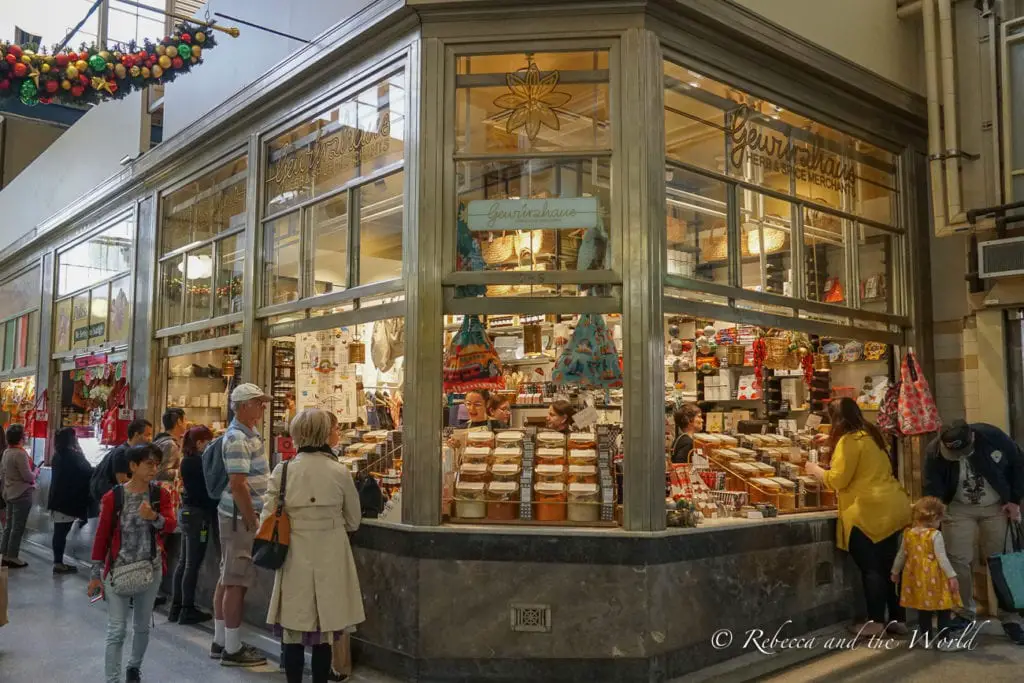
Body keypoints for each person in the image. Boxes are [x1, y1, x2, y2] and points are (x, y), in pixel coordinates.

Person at [263, 409, 364, 683]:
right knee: (325, 630)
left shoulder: (283, 471)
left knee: (293, 630)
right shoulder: (339, 471)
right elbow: (354, 520)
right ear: (324, 434)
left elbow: (267, 517)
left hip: (293, 554)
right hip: (331, 553)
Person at [805, 397, 911, 637]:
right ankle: (898, 620)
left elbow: (838, 479)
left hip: (867, 512)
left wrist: (816, 470)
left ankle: (874, 622)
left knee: (871, 568)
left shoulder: (848, 441)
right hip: (893, 506)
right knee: (891, 566)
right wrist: (831, 441)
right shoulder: (871, 433)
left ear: (836, 419)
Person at [923, 420, 1024, 644]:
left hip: (996, 505)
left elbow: (1018, 463)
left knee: (1002, 559)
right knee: (957, 559)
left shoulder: (992, 436)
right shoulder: (934, 452)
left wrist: (1015, 500)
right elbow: (932, 485)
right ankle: (963, 612)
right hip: (958, 508)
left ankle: (1010, 615)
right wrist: (934, 515)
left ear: (972, 439)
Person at [88, 444, 177, 683]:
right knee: (117, 629)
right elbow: (102, 535)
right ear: (133, 466)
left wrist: (154, 517)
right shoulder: (113, 497)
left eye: (156, 464)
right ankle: (112, 679)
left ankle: (133, 667)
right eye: (149, 464)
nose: (154, 469)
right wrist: (95, 573)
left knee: (142, 627)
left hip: (150, 569)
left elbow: (171, 525)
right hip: (118, 570)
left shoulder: (160, 495)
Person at [212, 383, 272, 667]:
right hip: (239, 519)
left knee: (228, 577)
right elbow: (238, 484)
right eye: (259, 403)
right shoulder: (237, 438)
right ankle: (232, 650)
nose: (264, 407)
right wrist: (252, 519)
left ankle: (221, 640)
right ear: (244, 405)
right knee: (236, 581)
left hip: (235, 517)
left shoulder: (248, 434)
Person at [890, 497, 962, 648]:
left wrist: (895, 572)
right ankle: (944, 640)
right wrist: (952, 576)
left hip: (917, 578)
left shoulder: (908, 534)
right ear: (935, 518)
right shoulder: (935, 535)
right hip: (935, 578)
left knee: (923, 610)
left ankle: (926, 639)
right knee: (943, 608)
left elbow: (901, 555)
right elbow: (942, 559)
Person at [169, 425, 216, 625]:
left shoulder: (187, 461)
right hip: (199, 517)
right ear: (199, 442)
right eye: (208, 442)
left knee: (183, 562)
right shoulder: (198, 462)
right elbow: (207, 493)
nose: (210, 446)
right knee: (191, 564)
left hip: (187, 513)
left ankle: (176, 607)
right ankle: (187, 608)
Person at [47, 427, 94, 574]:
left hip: (57, 500)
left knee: (59, 532)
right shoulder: (73, 456)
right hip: (67, 502)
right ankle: (58, 563)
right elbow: (88, 470)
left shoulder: (57, 455)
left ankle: (58, 562)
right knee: (61, 533)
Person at [1, 424, 40, 569]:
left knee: (9, 526)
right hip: (21, 494)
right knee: (17, 527)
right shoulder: (20, 454)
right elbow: (27, 476)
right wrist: (35, 472)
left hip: (9, 493)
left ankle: (4, 554)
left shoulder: (7, 452)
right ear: (20, 437)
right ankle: (13, 556)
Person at [91, 419, 154, 505]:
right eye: (148, 435)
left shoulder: (132, 452)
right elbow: (122, 481)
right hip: (107, 498)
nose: (150, 439)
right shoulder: (122, 452)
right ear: (136, 435)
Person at [153, 408, 186, 483]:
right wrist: (180, 471)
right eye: (185, 420)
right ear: (179, 421)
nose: (186, 423)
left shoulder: (160, 438)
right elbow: (160, 473)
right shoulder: (170, 444)